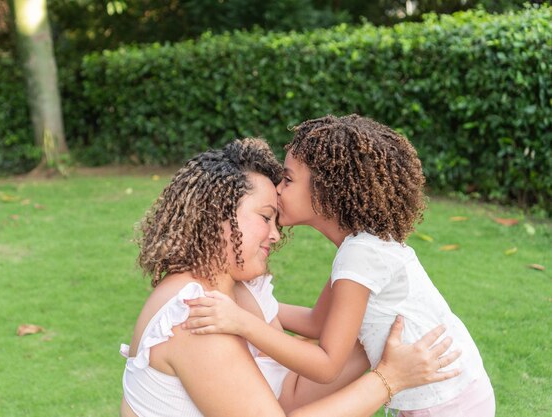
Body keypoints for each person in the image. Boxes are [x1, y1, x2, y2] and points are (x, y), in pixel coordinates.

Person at [120, 137, 461, 417]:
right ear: (217, 216)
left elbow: (292, 391)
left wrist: (385, 328)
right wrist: (389, 379)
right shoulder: (194, 317)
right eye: (266, 218)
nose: (275, 235)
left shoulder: (235, 294)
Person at [184, 116, 494, 416]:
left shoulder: (358, 255)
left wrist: (240, 321)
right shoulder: (361, 246)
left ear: (325, 192)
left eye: (288, 180)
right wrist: (251, 302)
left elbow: (327, 364)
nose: (278, 188)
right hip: (449, 391)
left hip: (446, 401)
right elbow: (319, 323)